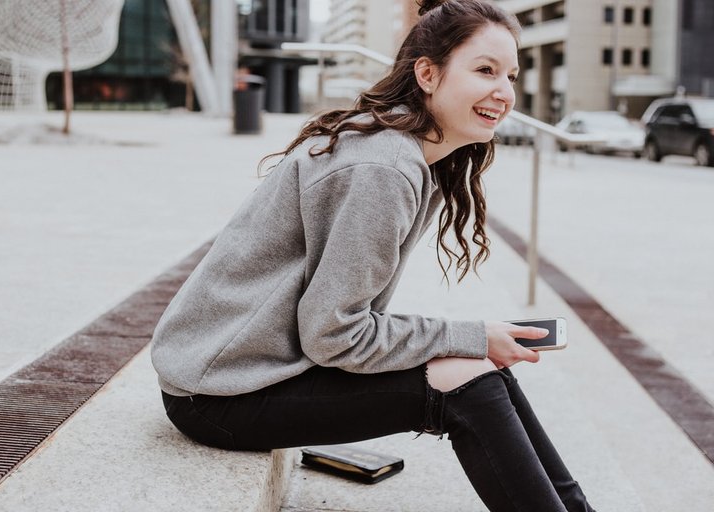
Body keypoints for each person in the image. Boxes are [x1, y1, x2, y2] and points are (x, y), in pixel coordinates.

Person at [151, 1, 596, 510]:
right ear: (427, 73)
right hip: (219, 395)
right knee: (468, 379)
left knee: (479, 365)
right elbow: (334, 334)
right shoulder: (382, 168)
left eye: (511, 75)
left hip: (248, 367)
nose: (505, 92)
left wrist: (473, 341)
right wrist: (470, 336)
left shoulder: (398, 150)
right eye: (485, 70)